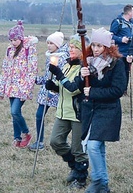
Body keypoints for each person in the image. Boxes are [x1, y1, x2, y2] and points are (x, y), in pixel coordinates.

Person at [76, 27, 127, 193]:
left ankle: (98, 181)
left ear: (107, 47)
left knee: (93, 146)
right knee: (98, 147)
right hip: (91, 110)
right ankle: (103, 183)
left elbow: (118, 90)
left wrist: (93, 92)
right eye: (94, 45)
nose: (95, 49)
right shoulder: (88, 62)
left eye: (100, 46)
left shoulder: (116, 64)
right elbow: (80, 88)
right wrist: (81, 76)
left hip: (108, 110)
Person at [47, 34, 90, 189]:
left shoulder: (84, 69)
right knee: (55, 141)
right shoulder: (66, 65)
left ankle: (81, 177)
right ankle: (74, 166)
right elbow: (62, 87)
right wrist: (52, 86)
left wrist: (58, 74)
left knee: (78, 149)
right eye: (70, 47)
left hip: (77, 112)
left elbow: (73, 89)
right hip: (63, 111)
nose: (71, 50)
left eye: (75, 47)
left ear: (82, 50)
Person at [0, 21, 38, 148]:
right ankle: (17, 138)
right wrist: (1, 88)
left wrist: (27, 89)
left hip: (22, 87)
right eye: (11, 39)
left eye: (15, 39)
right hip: (11, 86)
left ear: (21, 38)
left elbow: (32, 70)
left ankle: (26, 133)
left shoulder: (29, 49)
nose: (13, 42)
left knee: (15, 111)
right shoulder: (9, 50)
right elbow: (5, 69)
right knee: (13, 113)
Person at [29, 31, 69, 151]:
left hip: (58, 92)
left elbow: (60, 76)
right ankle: (39, 141)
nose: (49, 45)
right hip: (45, 91)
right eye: (48, 43)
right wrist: (36, 79)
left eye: (52, 43)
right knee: (39, 115)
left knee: (63, 117)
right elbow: (48, 76)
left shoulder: (62, 59)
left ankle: (61, 141)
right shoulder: (50, 57)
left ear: (58, 45)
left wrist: (54, 88)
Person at [110, 4, 133, 94]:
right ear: (128, 12)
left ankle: (124, 90)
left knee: (127, 71)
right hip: (120, 52)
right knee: (120, 71)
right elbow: (111, 35)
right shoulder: (118, 22)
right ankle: (118, 88)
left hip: (130, 51)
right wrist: (121, 39)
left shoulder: (132, 23)